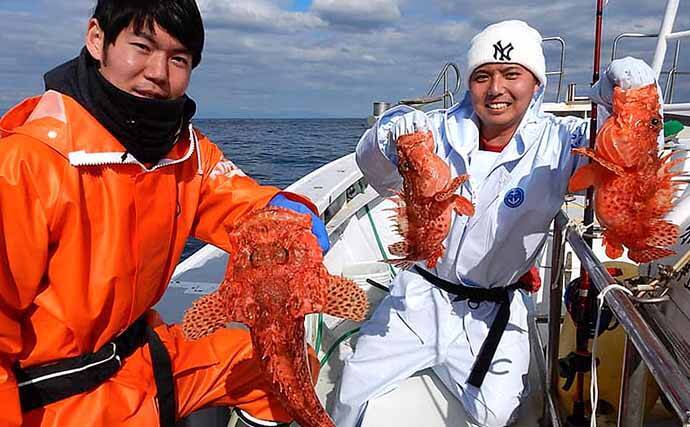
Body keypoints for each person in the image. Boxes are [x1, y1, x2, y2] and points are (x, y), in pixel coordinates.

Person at [0, 1, 329, 426]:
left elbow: (236, 201)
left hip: (144, 357)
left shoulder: (183, 151)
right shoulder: (24, 164)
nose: (158, 72)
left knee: (286, 368)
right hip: (59, 397)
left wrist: (288, 214)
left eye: (178, 59)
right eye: (142, 46)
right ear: (97, 39)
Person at [332, 20, 659, 427]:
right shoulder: (433, 130)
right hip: (419, 297)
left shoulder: (563, 139)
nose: (496, 88)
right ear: (469, 83)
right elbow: (374, 168)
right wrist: (386, 131)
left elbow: (630, 158)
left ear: (536, 83)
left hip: (496, 309)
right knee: (349, 395)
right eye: (482, 76)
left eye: (512, 74)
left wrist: (634, 99)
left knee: (496, 415)